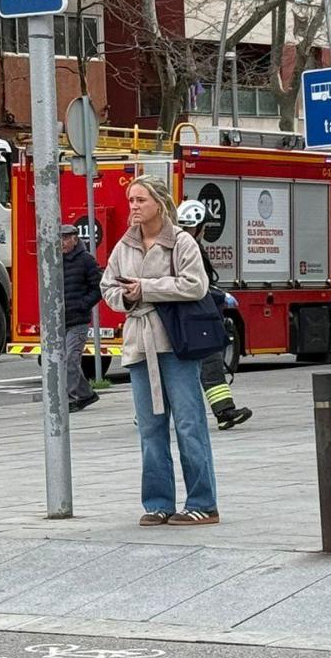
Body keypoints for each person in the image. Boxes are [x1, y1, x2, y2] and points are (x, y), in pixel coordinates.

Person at [103, 175, 220, 526]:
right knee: (150, 429)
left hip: (176, 344)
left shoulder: (181, 242)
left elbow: (196, 285)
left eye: (140, 200)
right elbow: (107, 286)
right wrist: (125, 295)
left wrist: (146, 289)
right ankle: (158, 502)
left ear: (159, 203)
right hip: (139, 346)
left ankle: (203, 502)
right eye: (131, 200)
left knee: (189, 424)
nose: (134, 206)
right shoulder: (124, 245)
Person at [174, 200, 252, 430]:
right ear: (196, 226)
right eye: (204, 226)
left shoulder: (180, 245)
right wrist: (219, 297)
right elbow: (196, 285)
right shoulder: (189, 248)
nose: (206, 231)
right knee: (210, 361)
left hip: (191, 316)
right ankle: (225, 412)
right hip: (195, 317)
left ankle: (150, 412)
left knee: (183, 369)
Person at [59, 224, 103, 414]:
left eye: (66, 238)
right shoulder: (54, 261)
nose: (63, 242)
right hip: (60, 322)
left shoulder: (86, 260)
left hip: (78, 320)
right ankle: (86, 394)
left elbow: (98, 288)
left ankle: (69, 398)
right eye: (60, 238)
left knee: (71, 359)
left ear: (75, 239)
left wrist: (82, 305)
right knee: (62, 361)